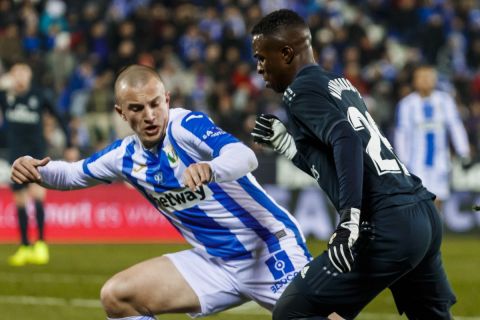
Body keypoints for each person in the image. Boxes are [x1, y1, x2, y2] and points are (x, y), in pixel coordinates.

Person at [11, 64, 311, 319]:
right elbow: (72, 174)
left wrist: (210, 169)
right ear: (121, 113)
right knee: (117, 296)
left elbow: (245, 156)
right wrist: (34, 170)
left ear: (167, 99)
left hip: (269, 248)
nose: (150, 115)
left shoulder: (185, 126)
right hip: (214, 263)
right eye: (137, 108)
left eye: (155, 103)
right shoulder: (124, 155)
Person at [250, 9, 456, 320]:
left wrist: (349, 219)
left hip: (386, 223)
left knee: (292, 313)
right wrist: (289, 147)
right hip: (421, 212)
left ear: (287, 53)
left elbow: (346, 139)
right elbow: (339, 155)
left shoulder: (300, 91)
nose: (259, 68)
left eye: (262, 58)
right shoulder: (336, 81)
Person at [0, 62, 77, 266]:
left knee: (37, 196)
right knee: (19, 200)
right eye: (15, 73)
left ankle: (41, 244)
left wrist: (69, 143)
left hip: (36, 155)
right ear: (11, 76)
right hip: (14, 156)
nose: (20, 77)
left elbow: (60, 117)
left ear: (30, 74)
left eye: (23, 72)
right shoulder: (6, 97)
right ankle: (25, 246)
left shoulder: (39, 95)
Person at [394, 64, 471, 212]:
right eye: (422, 77)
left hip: (440, 160)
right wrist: (401, 160)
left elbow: (455, 126)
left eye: (430, 77)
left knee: (438, 198)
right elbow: (401, 133)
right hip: (415, 161)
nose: (426, 81)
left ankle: (435, 233)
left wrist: (463, 151)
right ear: (415, 81)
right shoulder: (407, 104)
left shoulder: (445, 100)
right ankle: (421, 233)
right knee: (418, 200)